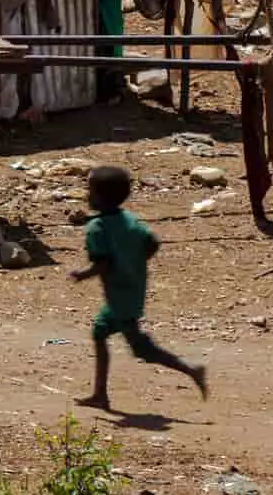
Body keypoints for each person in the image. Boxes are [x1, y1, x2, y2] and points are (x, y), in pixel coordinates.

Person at [70, 164, 207, 410]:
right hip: (133, 290)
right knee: (100, 332)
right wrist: (132, 263)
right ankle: (100, 394)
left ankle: (191, 370)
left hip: (120, 299)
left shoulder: (97, 228)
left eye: (90, 191)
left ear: (101, 197)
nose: (87, 196)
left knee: (142, 350)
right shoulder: (129, 219)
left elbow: (103, 263)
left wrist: (82, 275)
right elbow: (152, 243)